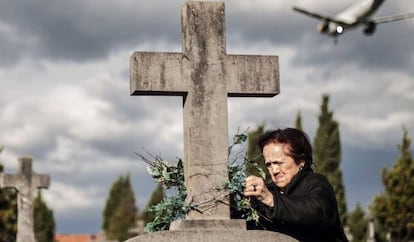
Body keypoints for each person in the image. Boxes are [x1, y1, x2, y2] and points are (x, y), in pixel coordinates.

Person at [244, 128, 348, 242]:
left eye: (278, 162)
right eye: (269, 164)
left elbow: (319, 213)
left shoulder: (316, 183)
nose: (274, 170)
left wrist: (272, 200)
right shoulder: (268, 192)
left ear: (301, 161)